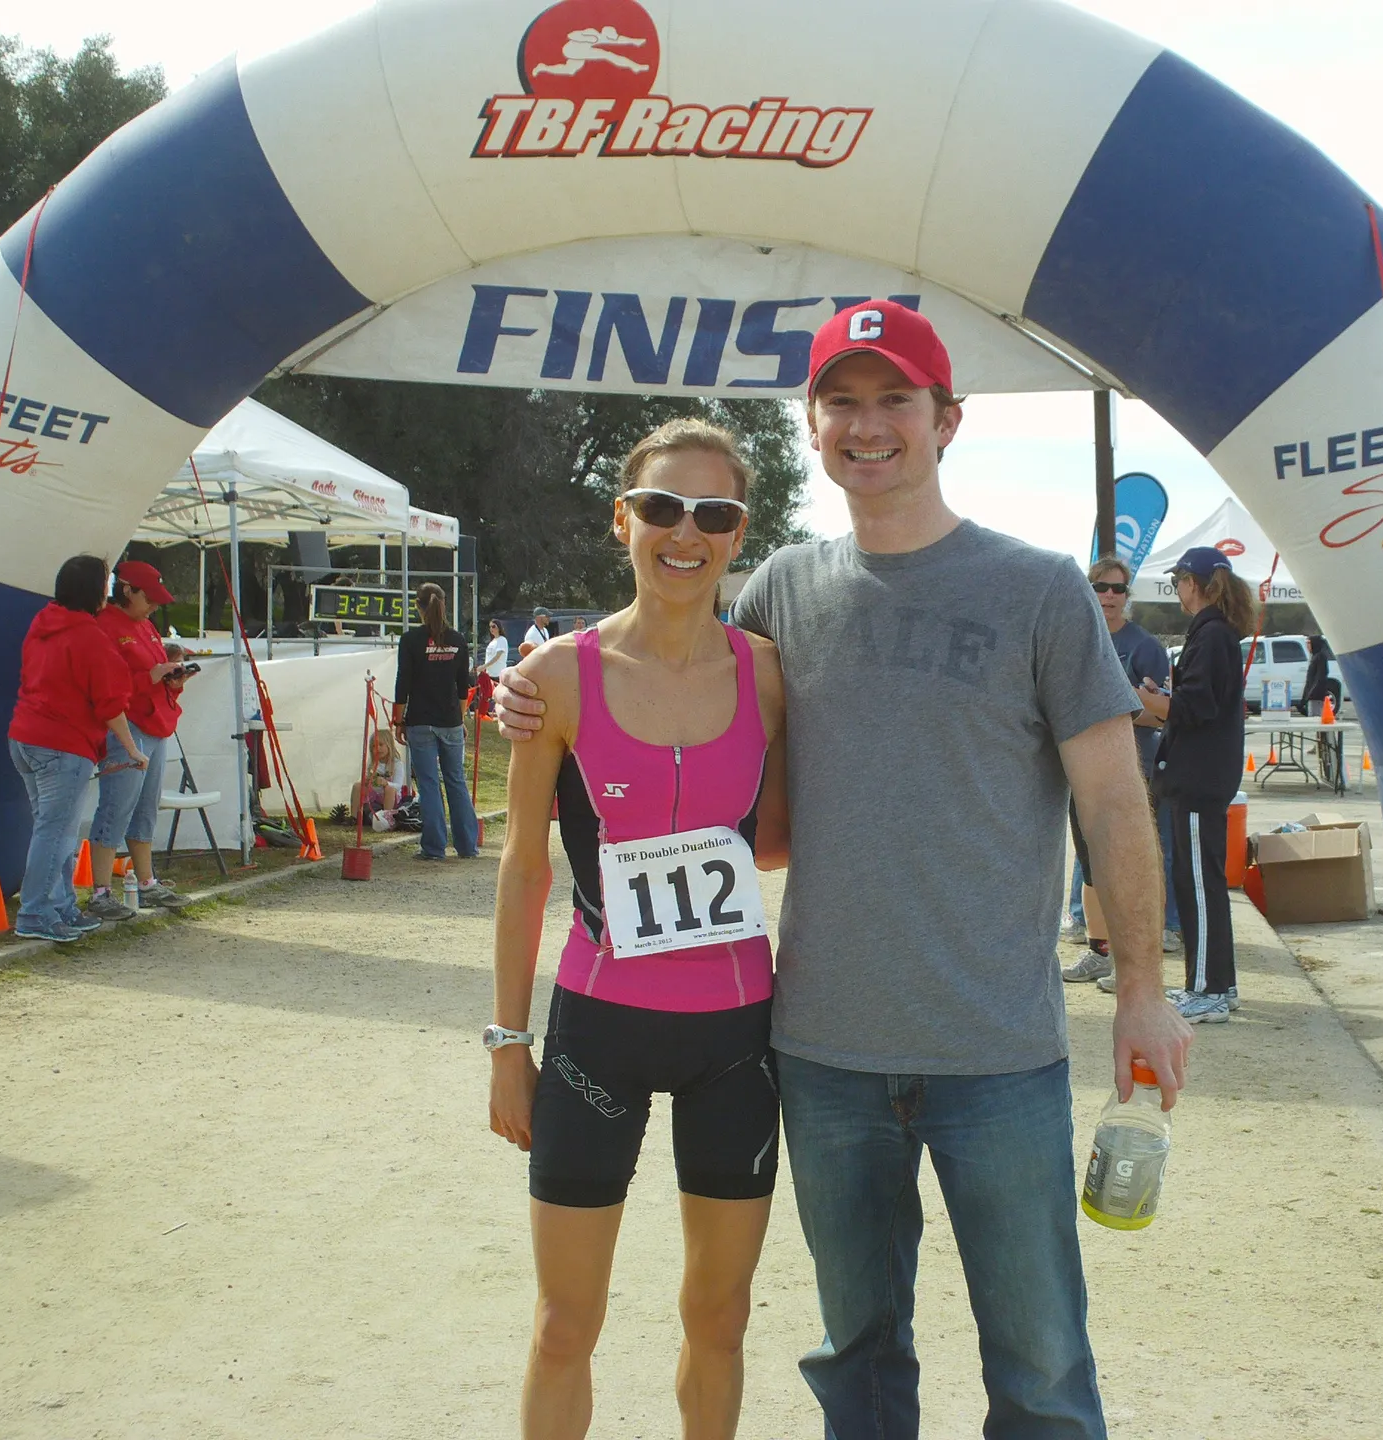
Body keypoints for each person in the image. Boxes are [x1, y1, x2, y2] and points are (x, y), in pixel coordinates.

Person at [498, 302, 1192, 1438]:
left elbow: (1114, 799)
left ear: (947, 420)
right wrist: (534, 687)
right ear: (813, 428)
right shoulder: (781, 592)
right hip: (821, 1055)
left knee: (1043, 1367)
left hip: (997, 1054)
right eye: (842, 404)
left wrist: (1144, 992)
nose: (869, 427)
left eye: (895, 401)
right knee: (856, 1363)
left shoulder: (1039, 589)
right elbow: (670, 655)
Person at [488, 418, 789, 1437]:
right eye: (662, 507)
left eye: (714, 513)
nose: (685, 532)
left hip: (737, 1038)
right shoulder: (559, 677)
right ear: (624, 520)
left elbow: (783, 839)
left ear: (738, 534)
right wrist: (503, 1043)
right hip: (597, 1032)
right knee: (565, 1322)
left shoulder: (768, 675)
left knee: (721, 1313)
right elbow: (524, 864)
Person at [8, 555, 148, 942]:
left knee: (55, 830)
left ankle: (61, 907)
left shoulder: (43, 622)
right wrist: (132, 749)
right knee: (56, 833)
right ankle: (35, 913)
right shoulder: (89, 637)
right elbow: (110, 704)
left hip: (25, 736)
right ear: (96, 593)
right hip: (61, 745)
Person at [1062, 555, 1178, 989]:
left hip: (1134, 769)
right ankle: (1098, 949)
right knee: (1090, 861)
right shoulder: (1074, 638)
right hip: (1077, 769)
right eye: (1100, 587)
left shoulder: (1145, 645)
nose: (1109, 596)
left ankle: (1145, 950)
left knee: (1131, 859)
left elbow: (1165, 714)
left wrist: (1119, 705)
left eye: (1118, 589)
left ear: (1128, 597)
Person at [1150, 546, 1251, 1022]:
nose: (1178, 590)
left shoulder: (1211, 635)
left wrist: (1141, 699)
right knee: (1202, 882)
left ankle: (1207, 989)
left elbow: (1194, 708)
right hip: (1204, 776)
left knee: (1197, 885)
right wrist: (1160, 699)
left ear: (1194, 582)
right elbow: (1197, 703)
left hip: (1198, 778)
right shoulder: (1217, 634)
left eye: (1179, 581)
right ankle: (1219, 983)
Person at [84, 561, 193, 921]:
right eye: (149, 597)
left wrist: (171, 681)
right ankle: (100, 889)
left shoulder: (144, 626)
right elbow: (105, 684)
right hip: (126, 726)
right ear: (126, 590)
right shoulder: (104, 626)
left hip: (155, 724)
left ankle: (146, 882)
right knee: (117, 804)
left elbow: (149, 674)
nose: (154, 606)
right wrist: (150, 676)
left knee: (145, 806)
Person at [393, 583, 479, 859]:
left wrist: (398, 720)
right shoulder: (458, 639)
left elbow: (402, 683)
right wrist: (460, 716)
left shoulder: (411, 640)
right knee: (456, 780)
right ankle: (467, 845)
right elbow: (463, 685)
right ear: (444, 604)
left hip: (420, 721)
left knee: (429, 783)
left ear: (418, 607)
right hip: (451, 720)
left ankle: (433, 847)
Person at [350, 727, 406, 830]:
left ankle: (386, 818)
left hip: (390, 798)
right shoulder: (372, 764)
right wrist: (367, 780)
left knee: (389, 789)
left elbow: (398, 786)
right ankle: (354, 817)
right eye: (374, 746)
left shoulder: (397, 764)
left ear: (389, 745)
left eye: (381, 745)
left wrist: (386, 783)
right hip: (374, 796)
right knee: (358, 785)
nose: (377, 749)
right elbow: (368, 780)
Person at [477, 618, 510, 714]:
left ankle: (500, 713)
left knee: (498, 695)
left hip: (498, 673)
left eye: (494, 626)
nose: (491, 629)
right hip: (490, 673)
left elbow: (497, 656)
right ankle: (487, 712)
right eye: (490, 627)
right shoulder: (493, 641)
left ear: (499, 628)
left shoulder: (502, 640)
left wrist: (484, 666)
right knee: (488, 695)